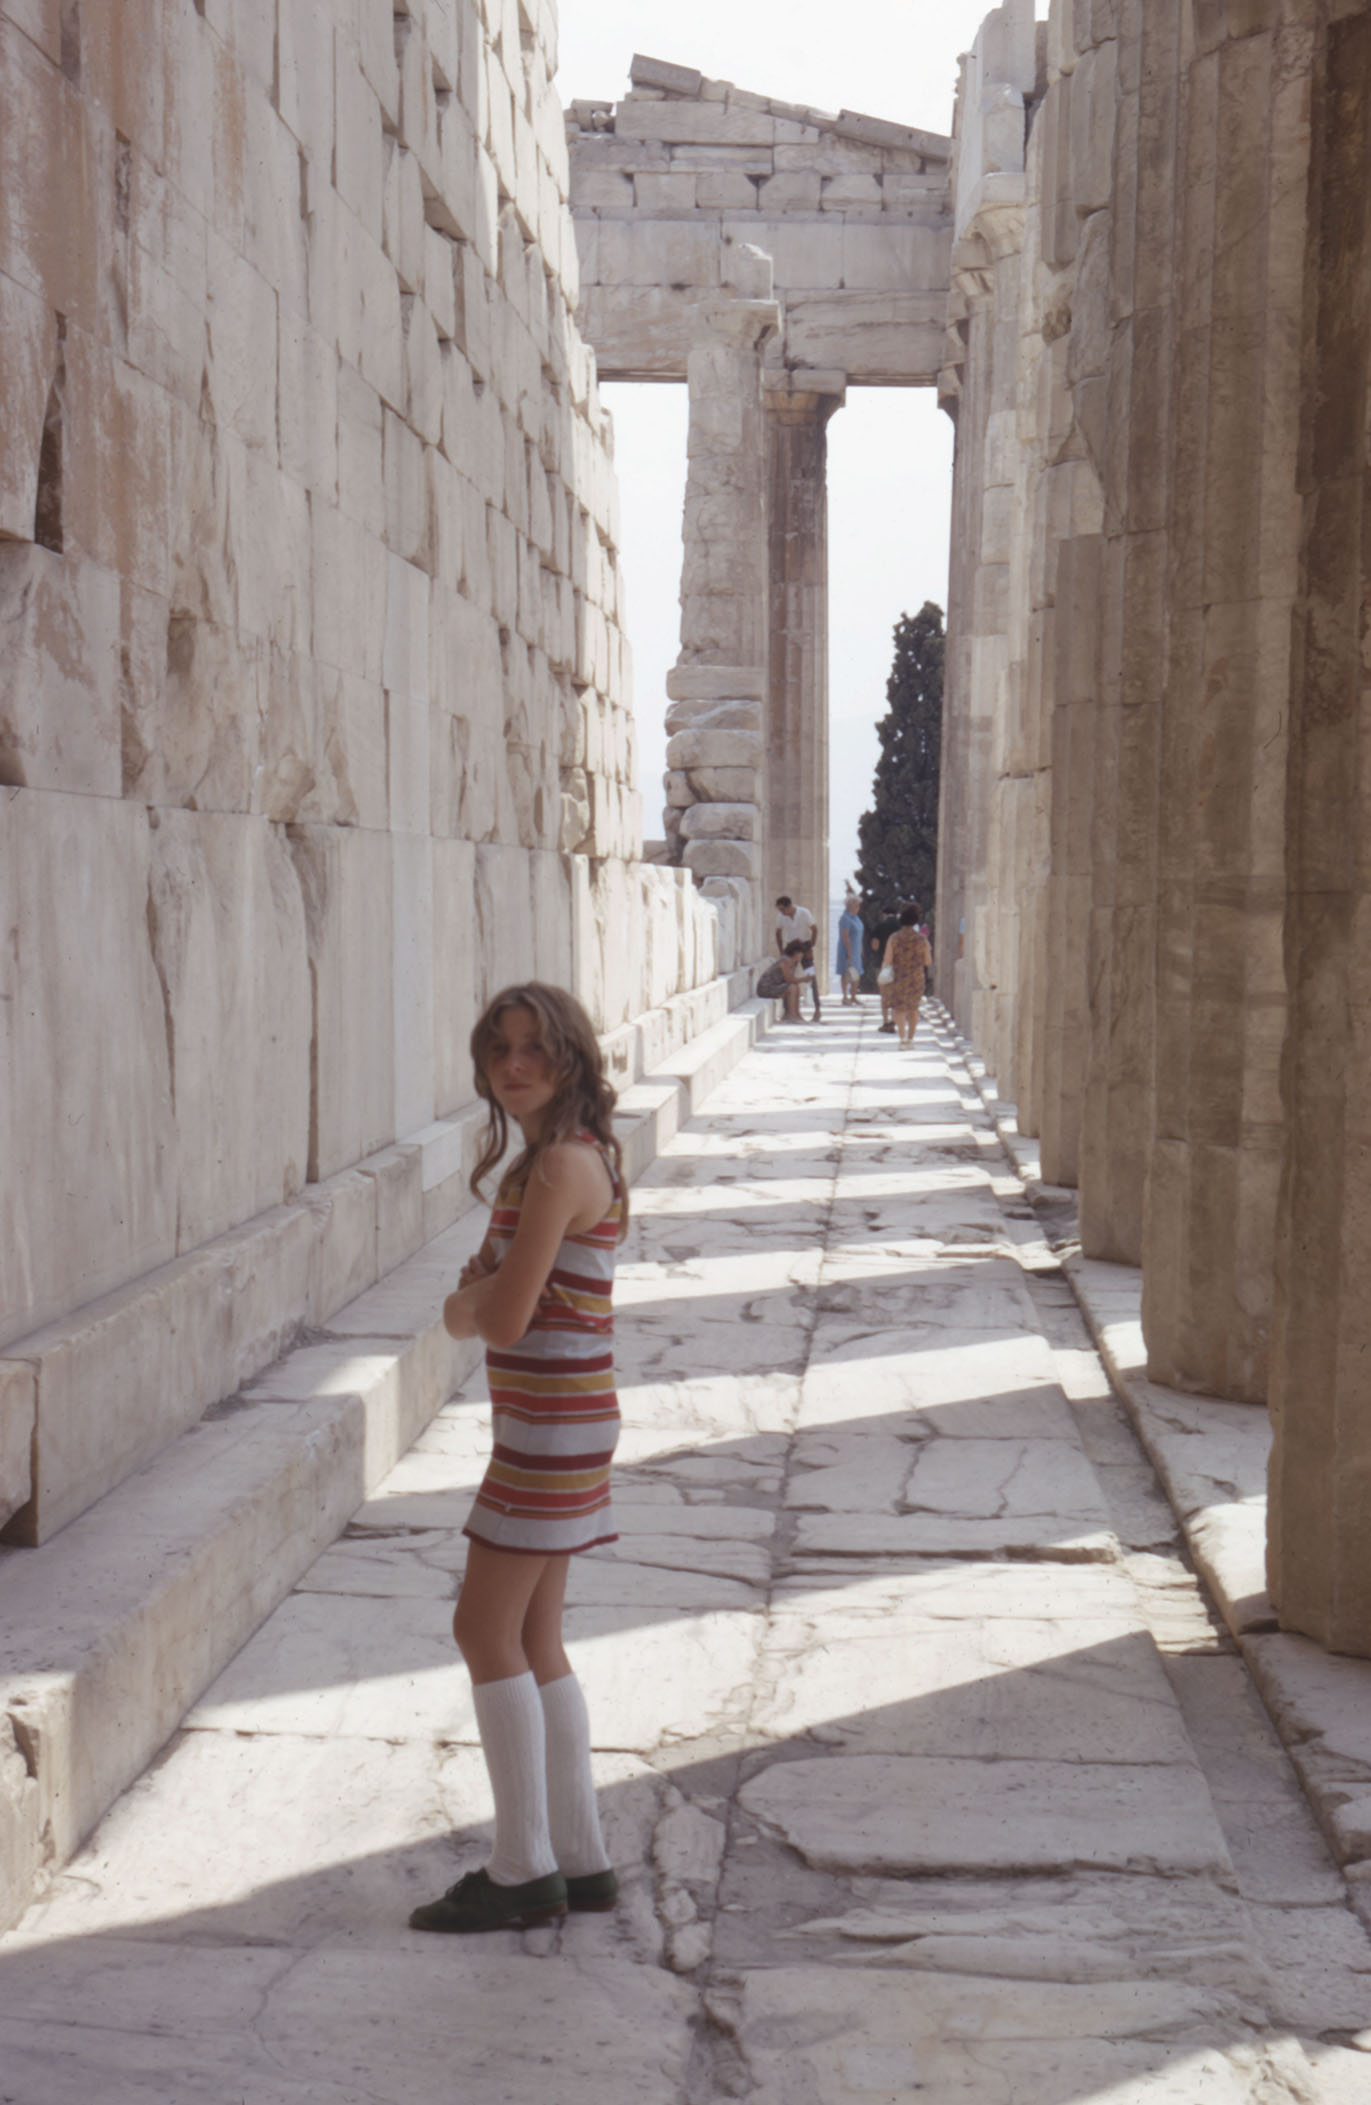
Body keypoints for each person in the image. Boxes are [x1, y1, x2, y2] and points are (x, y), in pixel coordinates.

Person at [409, 983, 625, 1935]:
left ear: (570, 1055)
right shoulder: (562, 1161)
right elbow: (519, 1293)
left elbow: (495, 1315)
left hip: (547, 1430)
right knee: (536, 1638)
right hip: (562, 1418)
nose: (514, 1064)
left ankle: (519, 1866)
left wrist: (465, 1305)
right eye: (500, 1048)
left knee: (481, 1630)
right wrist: (494, 1289)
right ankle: (577, 1856)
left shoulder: (558, 1170)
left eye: (535, 1046)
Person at [885, 904, 934, 1048]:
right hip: (916, 977)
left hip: (899, 976)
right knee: (913, 1009)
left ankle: (902, 1038)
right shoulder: (922, 939)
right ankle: (911, 1039)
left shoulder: (894, 938)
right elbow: (928, 961)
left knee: (899, 1009)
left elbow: (887, 959)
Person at [775, 896, 821, 1020]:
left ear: (789, 906)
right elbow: (778, 932)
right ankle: (787, 1011)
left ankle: (817, 1010)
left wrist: (812, 945)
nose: (782, 912)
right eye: (780, 910)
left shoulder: (804, 913)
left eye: (783, 909)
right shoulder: (781, 917)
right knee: (786, 978)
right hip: (790, 948)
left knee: (811, 976)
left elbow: (814, 928)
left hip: (804, 945)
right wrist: (781, 950)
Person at [870, 903, 901, 1031]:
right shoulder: (901, 927)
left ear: (884, 915)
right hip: (898, 965)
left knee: (884, 995)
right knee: (895, 994)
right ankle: (894, 1021)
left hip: (883, 964)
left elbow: (875, 945)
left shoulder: (880, 926)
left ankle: (885, 1021)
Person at [835, 897, 864, 1005]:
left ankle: (853, 996)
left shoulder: (856, 918)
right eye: (857, 905)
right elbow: (845, 936)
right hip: (846, 950)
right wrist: (849, 951)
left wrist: (861, 947)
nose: (858, 908)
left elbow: (859, 933)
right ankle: (845, 996)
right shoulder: (845, 918)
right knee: (846, 973)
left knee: (857, 973)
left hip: (856, 949)